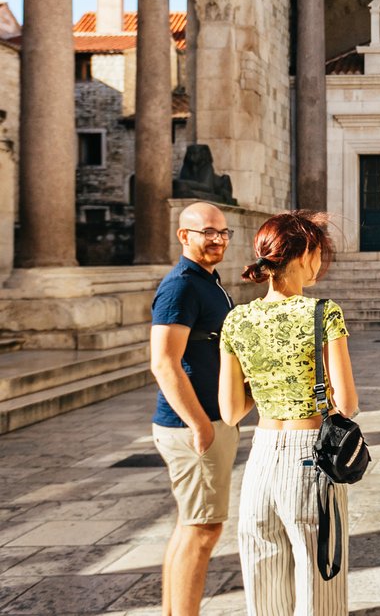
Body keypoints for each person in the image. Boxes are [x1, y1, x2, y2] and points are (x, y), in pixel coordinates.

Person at [219, 211, 357, 616]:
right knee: (320, 587)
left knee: (265, 589)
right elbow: (347, 403)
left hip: (260, 460)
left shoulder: (237, 320)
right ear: (305, 253)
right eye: (319, 252)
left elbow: (231, 411)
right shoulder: (323, 313)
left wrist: (268, 381)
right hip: (311, 458)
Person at [149, 201, 240, 616]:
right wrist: (200, 424)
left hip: (205, 420)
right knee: (204, 529)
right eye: (208, 232)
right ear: (184, 235)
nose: (217, 239)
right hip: (194, 425)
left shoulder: (208, 280)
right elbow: (163, 360)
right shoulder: (181, 284)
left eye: (222, 232)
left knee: (191, 525)